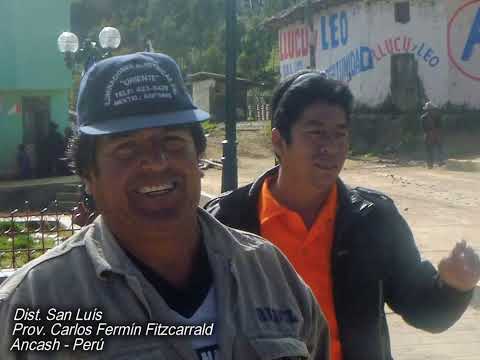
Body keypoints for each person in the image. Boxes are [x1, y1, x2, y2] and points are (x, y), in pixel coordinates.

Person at [0, 54, 329, 359]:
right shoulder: (38, 299)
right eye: (127, 147)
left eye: (172, 141)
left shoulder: (268, 271)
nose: (156, 163)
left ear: (198, 157)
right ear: (88, 173)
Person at [205, 70, 480, 360]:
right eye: (316, 133)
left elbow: (424, 311)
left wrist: (453, 286)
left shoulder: (372, 219)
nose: (330, 148)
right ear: (278, 141)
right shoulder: (228, 220)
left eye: (340, 134)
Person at [421, 101, 445, 168]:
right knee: (433, 150)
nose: (430, 111)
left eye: (430, 109)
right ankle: (434, 164)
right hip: (432, 135)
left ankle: (436, 163)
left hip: (432, 135)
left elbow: (440, 127)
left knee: (436, 149)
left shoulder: (424, 117)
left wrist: (434, 133)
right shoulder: (425, 117)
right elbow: (440, 127)